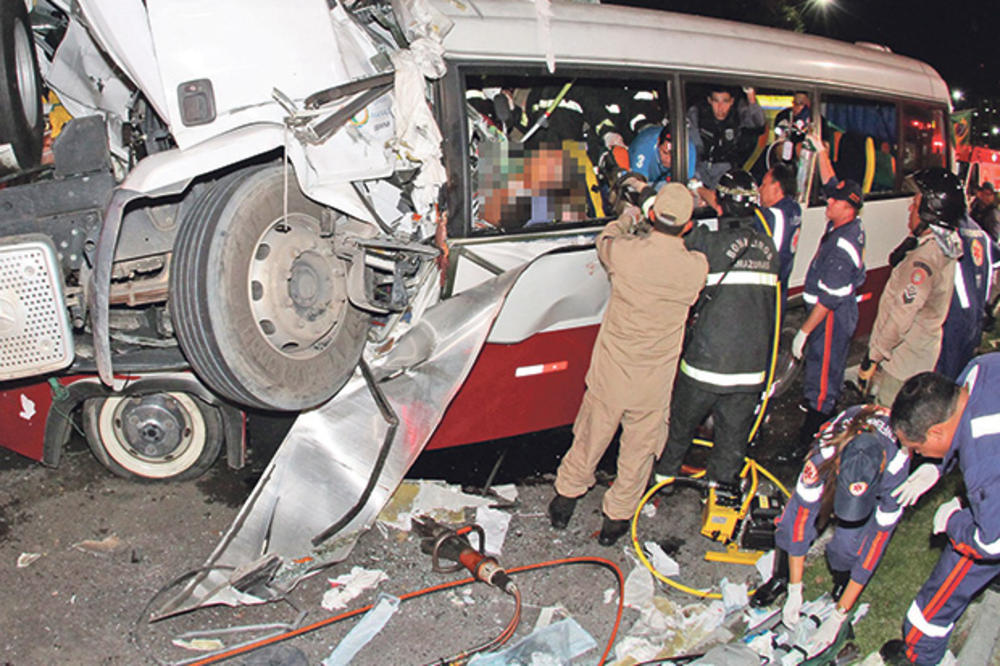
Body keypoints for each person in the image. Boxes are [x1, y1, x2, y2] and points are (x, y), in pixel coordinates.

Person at [548, 183, 708, 546]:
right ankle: (615, 520)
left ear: (652, 215)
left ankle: (565, 500)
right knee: (638, 452)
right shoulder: (695, 268)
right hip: (653, 383)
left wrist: (626, 218)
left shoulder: (625, 253)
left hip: (613, 373)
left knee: (590, 437)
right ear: (687, 225)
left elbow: (604, 241)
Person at [752, 405, 910, 657]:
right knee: (788, 525)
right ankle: (781, 578)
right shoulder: (825, 452)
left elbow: (875, 548)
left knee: (851, 546)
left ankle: (841, 582)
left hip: (878, 478)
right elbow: (799, 523)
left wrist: (839, 615)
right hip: (833, 463)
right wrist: (795, 588)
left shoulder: (897, 468)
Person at [654, 169, 778, 488]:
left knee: (678, 433)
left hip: (704, 368)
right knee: (731, 445)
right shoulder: (769, 249)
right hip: (750, 373)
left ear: (720, 207)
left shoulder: (708, 243)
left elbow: (669, 222)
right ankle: (719, 497)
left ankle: (662, 485)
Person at [879, 356, 1000, 665]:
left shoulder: (983, 464)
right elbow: (959, 423)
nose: (916, 455)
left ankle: (921, 651)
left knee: (941, 593)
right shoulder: (979, 369)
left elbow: (990, 542)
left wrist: (954, 521)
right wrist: (938, 465)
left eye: (917, 450)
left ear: (934, 433)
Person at [856, 168, 963, 407]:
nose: (909, 209)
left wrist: (872, 358)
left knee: (888, 418)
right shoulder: (943, 246)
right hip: (918, 357)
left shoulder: (923, 261)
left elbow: (902, 315)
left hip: (902, 364)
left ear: (929, 213)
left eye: (915, 204)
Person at [789, 134, 866, 458]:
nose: (828, 202)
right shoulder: (847, 223)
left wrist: (804, 332)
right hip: (832, 311)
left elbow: (827, 301)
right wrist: (821, 151)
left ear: (848, 208)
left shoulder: (841, 247)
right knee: (820, 373)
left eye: (834, 201)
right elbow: (831, 179)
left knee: (822, 379)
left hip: (831, 317)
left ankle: (814, 442)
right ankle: (816, 426)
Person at [935, 215, 994, 379]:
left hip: (952, 319)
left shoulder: (945, 232)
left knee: (944, 379)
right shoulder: (980, 233)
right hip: (975, 316)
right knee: (962, 376)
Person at [687, 86, 765, 188]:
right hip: (700, 170)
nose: (720, 107)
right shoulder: (697, 114)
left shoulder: (737, 114)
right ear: (709, 101)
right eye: (716, 101)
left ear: (732, 101)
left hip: (727, 172)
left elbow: (758, 122)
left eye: (725, 101)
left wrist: (750, 96)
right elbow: (693, 148)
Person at [755, 161, 802, 314]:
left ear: (777, 186)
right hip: (780, 288)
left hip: (766, 294)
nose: (760, 190)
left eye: (763, 184)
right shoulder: (794, 208)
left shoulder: (773, 216)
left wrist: (699, 189)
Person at [629, 124, 673, 190]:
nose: (669, 160)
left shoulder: (689, 150)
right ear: (658, 143)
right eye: (665, 153)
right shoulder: (643, 148)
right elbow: (637, 186)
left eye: (673, 155)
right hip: (645, 179)